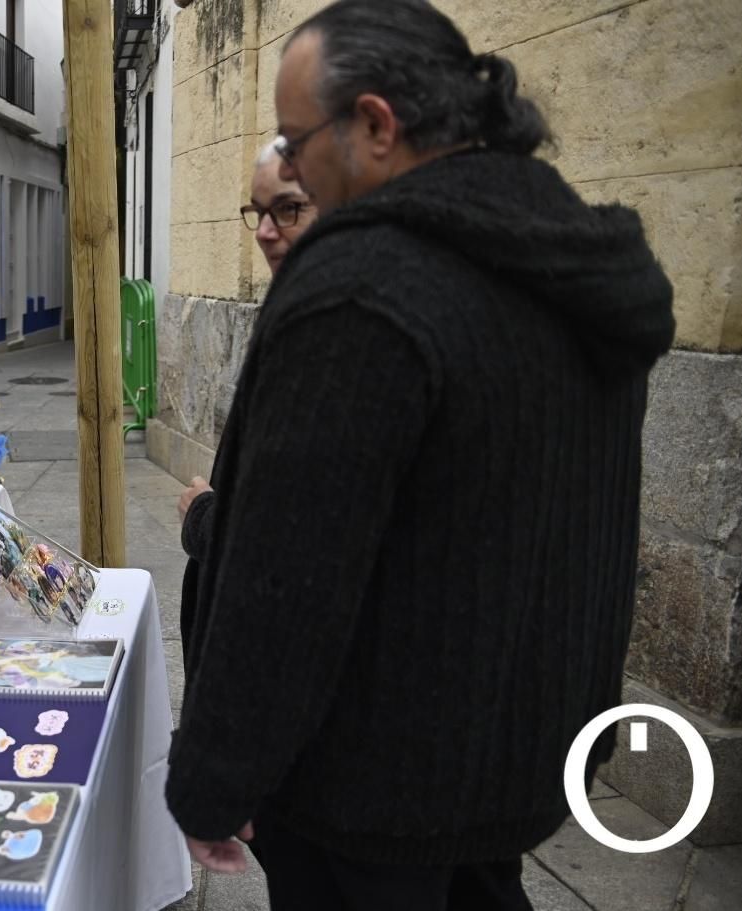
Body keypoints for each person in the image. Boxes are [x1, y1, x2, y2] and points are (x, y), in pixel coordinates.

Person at [166, 3, 674, 909]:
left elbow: (288, 579)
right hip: (509, 762)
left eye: (296, 141)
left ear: (375, 124)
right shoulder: (563, 256)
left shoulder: (363, 286)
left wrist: (214, 777)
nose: (292, 168)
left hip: (371, 788)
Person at [177, 143, 318, 600]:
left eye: (289, 209)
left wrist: (202, 516)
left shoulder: (336, 342)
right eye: (258, 212)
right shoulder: (294, 315)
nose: (265, 232)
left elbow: (292, 536)